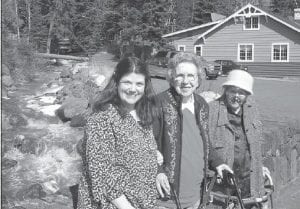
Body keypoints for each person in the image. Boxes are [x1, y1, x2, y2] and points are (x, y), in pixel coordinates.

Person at [153, 52, 233, 209]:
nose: (186, 81)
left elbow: (203, 142)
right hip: (166, 198)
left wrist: (218, 163)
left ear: (198, 79)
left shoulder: (201, 104)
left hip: (195, 196)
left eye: (191, 76)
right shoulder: (158, 103)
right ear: (171, 78)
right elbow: (146, 144)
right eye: (180, 76)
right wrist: (157, 170)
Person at [77, 57, 159, 209]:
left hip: (140, 201)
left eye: (139, 84)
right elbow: (101, 171)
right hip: (113, 204)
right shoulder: (103, 116)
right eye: (127, 82)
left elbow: (129, 149)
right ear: (117, 81)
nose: (133, 89)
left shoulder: (142, 113)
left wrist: (153, 153)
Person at [208, 69, 271, 209]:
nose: (237, 96)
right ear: (225, 90)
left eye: (241, 92)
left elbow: (256, 143)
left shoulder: (252, 108)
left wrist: (260, 165)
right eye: (233, 91)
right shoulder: (212, 110)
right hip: (223, 184)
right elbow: (204, 145)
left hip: (250, 180)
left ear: (247, 95)